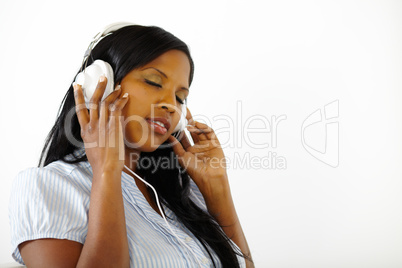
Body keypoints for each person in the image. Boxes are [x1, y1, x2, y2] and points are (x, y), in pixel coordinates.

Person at [9, 23, 254, 268]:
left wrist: (216, 187)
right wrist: (107, 172)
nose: (170, 104)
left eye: (180, 97)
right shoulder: (48, 187)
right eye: (153, 82)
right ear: (99, 84)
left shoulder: (183, 194)